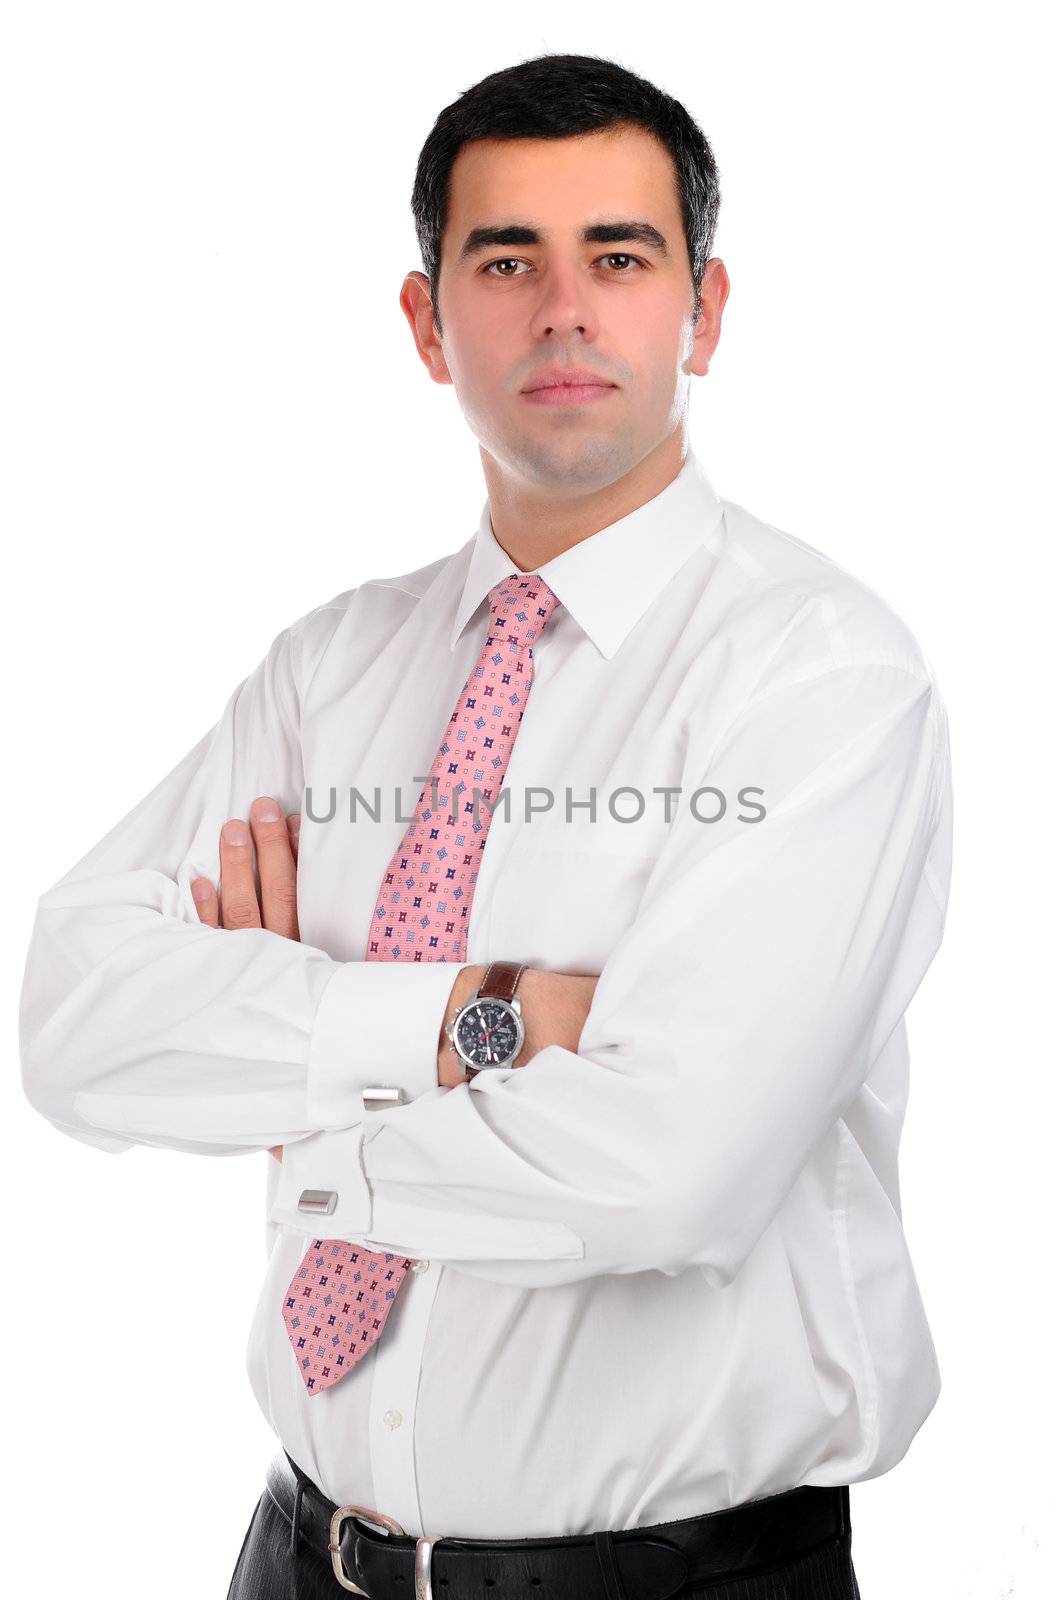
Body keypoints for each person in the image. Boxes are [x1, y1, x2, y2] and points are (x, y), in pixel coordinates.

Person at [19, 51, 952, 1600]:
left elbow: (668, 1172)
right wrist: (483, 1019)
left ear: (705, 313)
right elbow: (72, 1022)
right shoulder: (330, 671)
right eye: (506, 259)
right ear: (425, 319)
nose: (564, 309)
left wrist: (299, 1102)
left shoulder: (820, 677)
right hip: (296, 1556)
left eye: (621, 257)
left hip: (672, 1583)